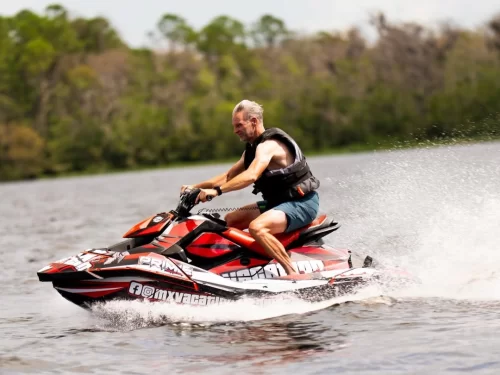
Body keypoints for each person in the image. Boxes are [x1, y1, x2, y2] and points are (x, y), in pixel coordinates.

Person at [181, 100, 320, 277]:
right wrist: (195, 187)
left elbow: (252, 175)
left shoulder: (269, 146)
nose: (235, 130)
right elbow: (228, 176)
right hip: (277, 203)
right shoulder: (251, 151)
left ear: (253, 121)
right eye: (234, 126)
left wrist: (217, 191)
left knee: (257, 227)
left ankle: (292, 272)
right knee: (231, 220)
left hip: (302, 203)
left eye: (239, 125)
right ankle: (239, 266)